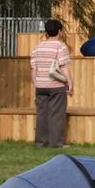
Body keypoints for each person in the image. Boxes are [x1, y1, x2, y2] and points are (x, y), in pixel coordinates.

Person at [30, 18, 71, 148]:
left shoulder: (38, 46)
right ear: (59, 31)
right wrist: (70, 83)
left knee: (42, 114)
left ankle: (41, 143)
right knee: (56, 114)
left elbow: (34, 69)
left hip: (40, 85)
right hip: (56, 85)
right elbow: (64, 67)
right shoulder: (60, 46)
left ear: (47, 32)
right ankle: (56, 143)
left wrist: (36, 84)